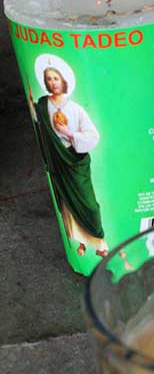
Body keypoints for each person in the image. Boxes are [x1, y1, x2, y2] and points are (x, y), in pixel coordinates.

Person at [28, 57, 107, 258]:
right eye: (49, 79)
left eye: (56, 78)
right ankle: (81, 242)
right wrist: (31, 101)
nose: (53, 82)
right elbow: (38, 120)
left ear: (63, 81)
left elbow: (92, 136)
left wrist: (70, 133)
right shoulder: (44, 104)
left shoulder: (75, 109)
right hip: (58, 161)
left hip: (74, 161)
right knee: (67, 203)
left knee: (88, 204)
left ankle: (99, 243)